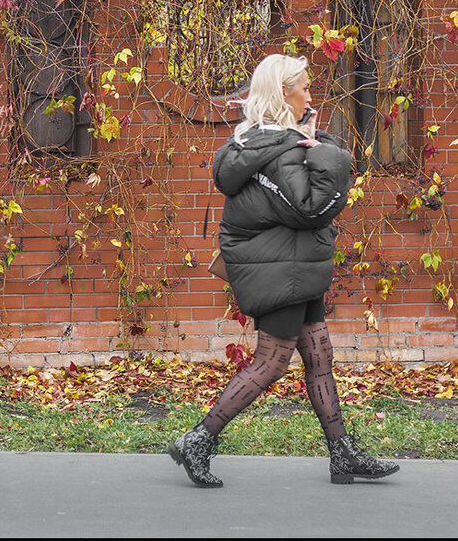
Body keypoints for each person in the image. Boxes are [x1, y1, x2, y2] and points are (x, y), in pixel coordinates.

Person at [167, 53, 399, 487]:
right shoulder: (277, 149)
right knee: (271, 362)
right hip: (279, 269)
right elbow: (309, 208)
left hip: (293, 263)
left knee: (319, 355)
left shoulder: (270, 141)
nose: (311, 96)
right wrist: (327, 153)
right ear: (283, 94)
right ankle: (197, 439)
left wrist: (310, 141)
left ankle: (342, 453)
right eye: (304, 89)